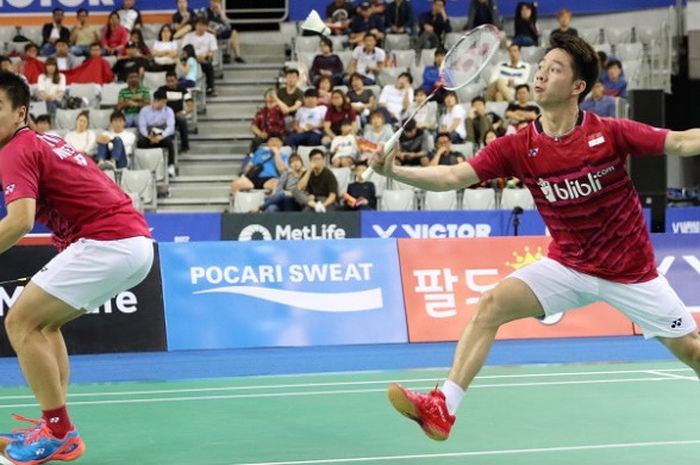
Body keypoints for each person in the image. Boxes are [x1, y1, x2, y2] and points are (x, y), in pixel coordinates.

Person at [369, 33, 700, 442]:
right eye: (542, 65)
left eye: (555, 69)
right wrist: (393, 172)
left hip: (631, 273)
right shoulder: (519, 146)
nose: (541, 73)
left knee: (692, 352)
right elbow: (454, 176)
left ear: (578, 87)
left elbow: (682, 141)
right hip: (568, 265)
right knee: (491, 305)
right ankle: (443, 407)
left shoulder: (610, 133)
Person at [0, 70, 153, 465]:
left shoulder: (14, 149)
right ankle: (55, 425)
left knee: (20, 322)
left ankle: (58, 431)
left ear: (20, 113)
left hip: (109, 241)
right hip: (133, 242)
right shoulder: (45, 142)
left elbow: (19, 221)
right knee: (45, 325)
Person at [136, 88, 176, 177]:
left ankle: (170, 166)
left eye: (165, 102)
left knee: (169, 142)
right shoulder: (144, 111)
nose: (164, 104)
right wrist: (148, 136)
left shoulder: (168, 110)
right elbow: (142, 127)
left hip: (161, 135)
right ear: (155, 100)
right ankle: (142, 167)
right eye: (162, 102)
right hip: (149, 135)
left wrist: (161, 136)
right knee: (141, 142)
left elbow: (170, 127)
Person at [183, 18, 218, 96]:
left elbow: (212, 51)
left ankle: (210, 88)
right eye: (199, 24)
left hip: (205, 58)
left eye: (203, 25)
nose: (201, 27)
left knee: (208, 65)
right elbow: (185, 50)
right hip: (191, 59)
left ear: (206, 26)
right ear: (195, 25)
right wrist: (195, 57)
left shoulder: (211, 37)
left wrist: (205, 56)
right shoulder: (188, 36)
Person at [158, 71, 191, 153]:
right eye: (168, 81)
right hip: (164, 116)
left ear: (176, 80)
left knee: (182, 120)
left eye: (172, 81)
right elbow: (157, 104)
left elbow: (191, 106)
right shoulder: (161, 90)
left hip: (177, 116)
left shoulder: (183, 90)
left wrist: (183, 112)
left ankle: (185, 146)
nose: (170, 83)